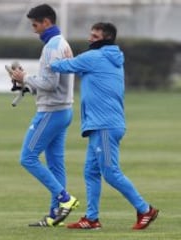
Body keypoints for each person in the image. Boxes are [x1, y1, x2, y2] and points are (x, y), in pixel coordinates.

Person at [49, 22, 159, 230]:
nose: (90, 38)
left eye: (94, 36)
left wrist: (49, 55)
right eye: (90, 34)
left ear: (105, 39)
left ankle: (145, 209)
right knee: (91, 172)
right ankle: (91, 219)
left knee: (110, 172)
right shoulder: (110, 58)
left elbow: (61, 66)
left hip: (105, 126)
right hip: (101, 126)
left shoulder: (95, 57)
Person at [10, 4, 79, 227]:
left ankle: (65, 199)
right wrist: (29, 86)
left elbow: (50, 83)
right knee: (56, 164)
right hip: (64, 110)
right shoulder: (63, 43)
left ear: (47, 22)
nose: (33, 29)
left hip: (51, 112)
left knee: (27, 158)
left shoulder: (52, 47)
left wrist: (25, 78)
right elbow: (53, 83)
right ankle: (53, 214)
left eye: (35, 24)